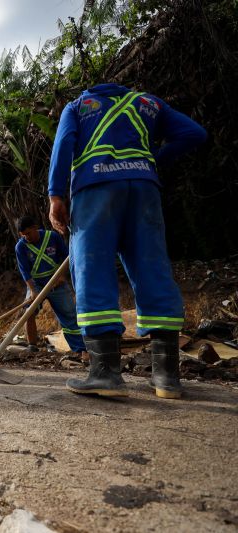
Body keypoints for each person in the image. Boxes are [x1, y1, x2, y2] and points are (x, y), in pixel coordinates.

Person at [48, 83, 206, 398]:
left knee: (92, 271)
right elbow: (195, 134)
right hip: (143, 190)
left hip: (95, 190)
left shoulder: (79, 107)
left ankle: (105, 373)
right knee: (153, 269)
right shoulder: (149, 103)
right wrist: (153, 160)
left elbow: (63, 146)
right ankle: (166, 379)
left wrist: (55, 196)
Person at [15, 216, 86, 356]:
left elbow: (67, 258)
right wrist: (33, 291)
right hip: (36, 284)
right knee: (28, 312)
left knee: (69, 314)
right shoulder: (21, 247)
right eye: (24, 235)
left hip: (56, 282)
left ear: (35, 227)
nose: (27, 237)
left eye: (29, 233)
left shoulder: (52, 237)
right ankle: (32, 346)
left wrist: (62, 277)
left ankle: (80, 348)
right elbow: (25, 272)